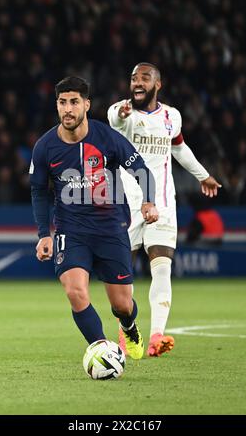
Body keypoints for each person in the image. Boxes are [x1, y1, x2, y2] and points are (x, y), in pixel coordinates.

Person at [29, 76, 159, 360]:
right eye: (62, 103)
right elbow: (39, 191)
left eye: (74, 102)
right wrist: (43, 234)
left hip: (110, 229)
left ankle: (129, 326)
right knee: (75, 292)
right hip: (71, 231)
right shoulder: (44, 147)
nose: (68, 109)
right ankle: (103, 351)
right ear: (57, 105)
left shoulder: (107, 138)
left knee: (122, 305)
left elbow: (142, 171)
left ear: (86, 104)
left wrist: (148, 201)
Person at [108, 62, 222, 357]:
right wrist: (120, 113)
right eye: (133, 77)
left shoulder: (172, 117)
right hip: (127, 203)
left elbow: (179, 147)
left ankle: (158, 335)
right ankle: (128, 331)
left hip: (162, 203)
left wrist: (203, 175)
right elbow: (115, 119)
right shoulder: (123, 113)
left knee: (162, 268)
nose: (137, 82)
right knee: (123, 273)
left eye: (144, 78)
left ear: (158, 84)